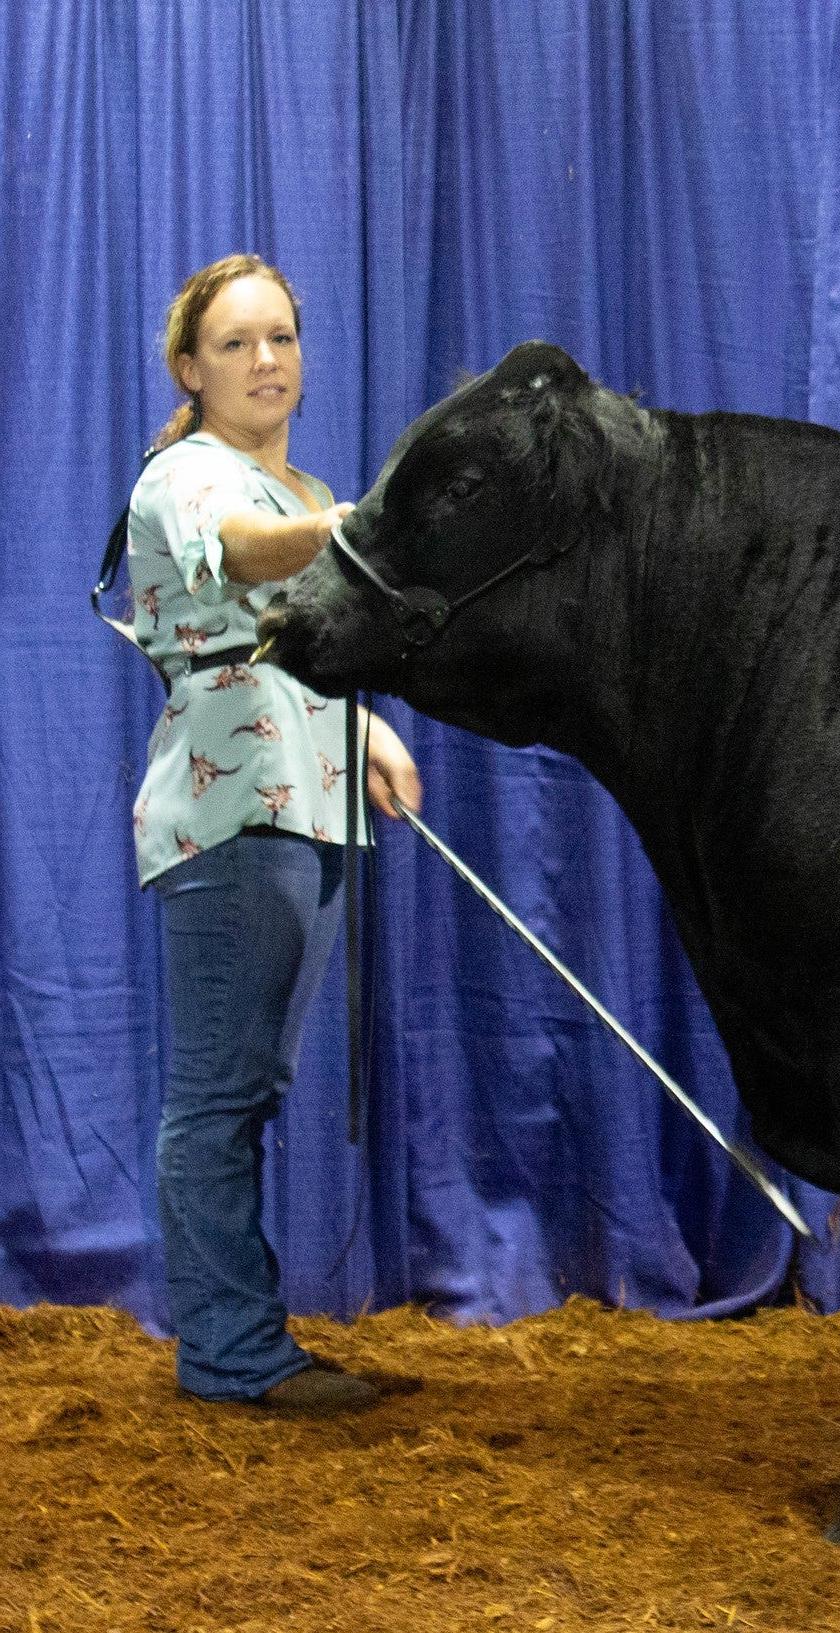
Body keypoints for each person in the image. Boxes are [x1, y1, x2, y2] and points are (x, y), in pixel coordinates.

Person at [127, 253, 424, 1413]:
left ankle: (245, 1341)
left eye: (283, 338)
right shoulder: (188, 476)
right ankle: (231, 1356)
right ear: (190, 368)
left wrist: (371, 738)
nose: (266, 360)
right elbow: (244, 556)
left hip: (313, 799)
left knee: (251, 1086)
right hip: (233, 811)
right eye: (239, 342)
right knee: (217, 1095)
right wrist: (355, 532)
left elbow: (318, 649)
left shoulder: (309, 491)